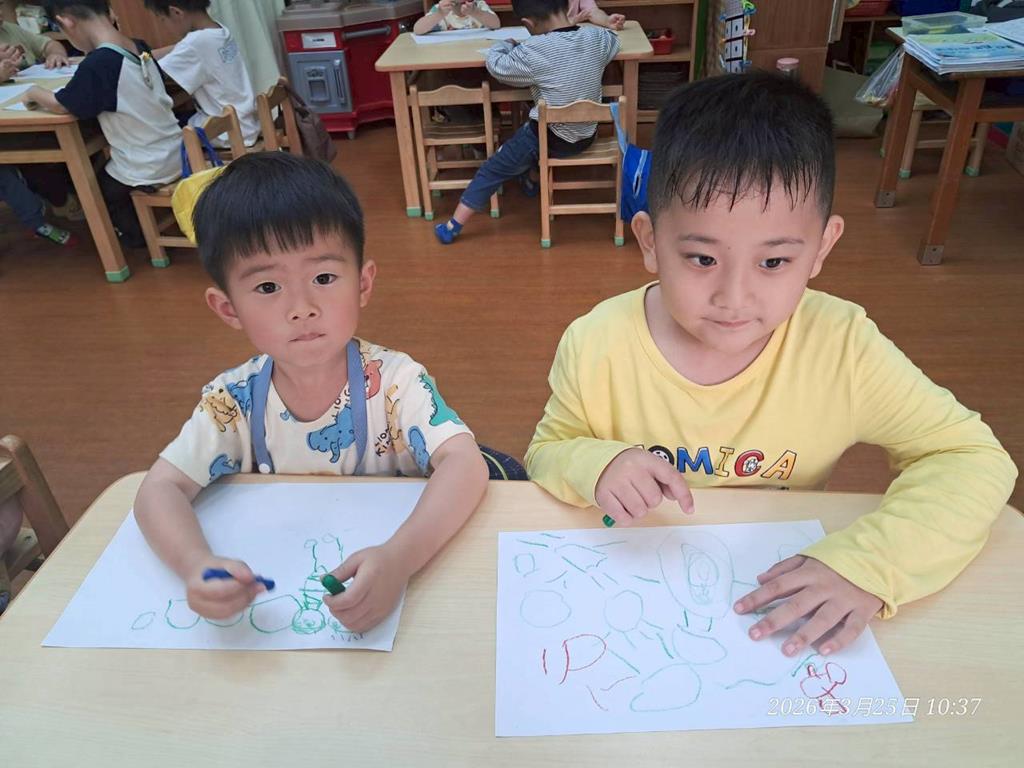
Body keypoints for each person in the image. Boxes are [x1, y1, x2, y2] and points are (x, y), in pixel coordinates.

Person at [525, 72, 1017, 659]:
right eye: (702, 258)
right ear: (650, 241)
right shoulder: (596, 344)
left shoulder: (842, 347)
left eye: (774, 262)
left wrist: (870, 563)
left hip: (771, 615)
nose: (734, 297)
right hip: (637, 594)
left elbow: (971, 457)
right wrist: (595, 463)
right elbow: (547, 452)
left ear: (822, 247)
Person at [134, 153, 489, 633]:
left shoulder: (395, 381)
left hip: (398, 611)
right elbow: (158, 489)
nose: (301, 308)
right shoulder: (231, 401)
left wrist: (400, 559)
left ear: (362, 284)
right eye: (267, 287)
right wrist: (195, 565)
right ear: (228, 308)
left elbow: (466, 464)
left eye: (323, 278)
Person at [433, 0, 619, 244]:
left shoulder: (533, 50)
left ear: (528, 24)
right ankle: (531, 180)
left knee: (493, 168)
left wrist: (504, 44)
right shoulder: (596, 38)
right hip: (587, 134)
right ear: (567, 8)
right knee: (530, 135)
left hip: (550, 138)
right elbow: (614, 40)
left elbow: (497, 67)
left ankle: (453, 225)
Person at [22, 0, 181, 248]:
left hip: (148, 165)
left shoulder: (99, 63)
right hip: (176, 149)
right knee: (104, 168)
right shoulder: (137, 45)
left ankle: (137, 239)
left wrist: (33, 92)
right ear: (110, 12)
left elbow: (62, 104)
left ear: (66, 22)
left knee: (97, 190)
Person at [144, 0, 260, 147]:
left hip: (227, 132)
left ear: (176, 12)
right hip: (245, 123)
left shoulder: (194, 43)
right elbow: (179, 49)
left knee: (160, 134)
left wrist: (135, 58)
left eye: (162, 20)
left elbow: (152, 71)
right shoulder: (218, 30)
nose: (165, 27)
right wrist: (145, 54)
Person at [413, 0, 500, 35]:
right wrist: (439, 14)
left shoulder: (478, 5)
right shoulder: (441, 9)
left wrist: (475, 12)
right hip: (449, 55)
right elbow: (417, 30)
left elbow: (496, 24)